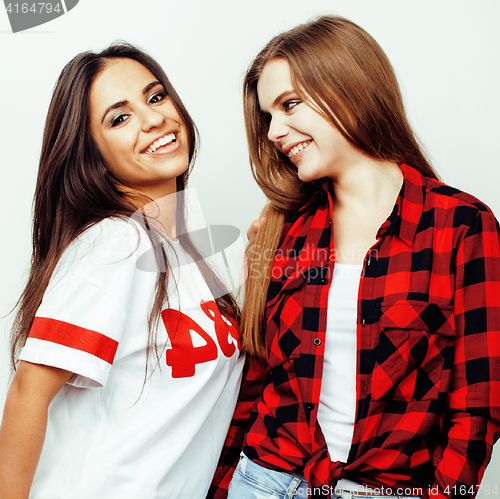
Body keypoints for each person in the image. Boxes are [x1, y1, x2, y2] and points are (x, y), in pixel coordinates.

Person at [209, 15, 500, 499]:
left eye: (289, 105)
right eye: (269, 116)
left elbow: (479, 401)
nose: (276, 131)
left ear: (347, 88)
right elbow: (255, 381)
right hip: (260, 480)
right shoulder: (281, 229)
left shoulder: (463, 225)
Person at [0, 43, 245, 498]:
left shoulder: (190, 245)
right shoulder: (115, 243)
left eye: (155, 98)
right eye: (119, 118)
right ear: (92, 154)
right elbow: (27, 395)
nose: (153, 120)